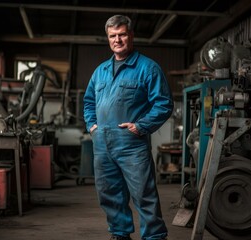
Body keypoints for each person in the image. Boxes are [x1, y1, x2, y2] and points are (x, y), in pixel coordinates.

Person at [83, 15, 173, 240]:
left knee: (143, 194)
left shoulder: (147, 68)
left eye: (122, 34)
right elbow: (88, 102)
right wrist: (92, 126)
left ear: (131, 36)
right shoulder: (100, 71)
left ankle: (154, 236)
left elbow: (163, 103)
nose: (117, 40)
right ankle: (120, 234)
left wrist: (141, 126)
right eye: (113, 36)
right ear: (108, 38)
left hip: (131, 143)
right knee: (109, 193)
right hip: (102, 142)